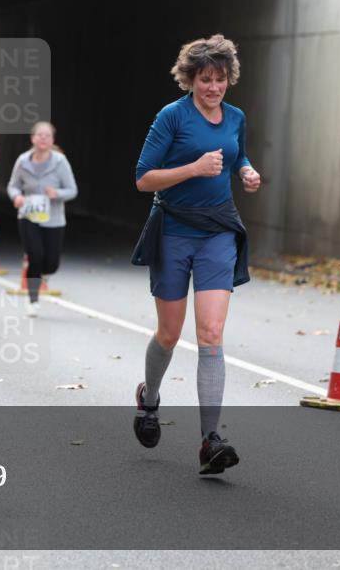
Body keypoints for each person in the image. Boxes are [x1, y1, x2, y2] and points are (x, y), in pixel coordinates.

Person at [130, 34, 261, 475]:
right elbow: (143, 179)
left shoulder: (236, 117)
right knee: (169, 333)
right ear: (191, 79)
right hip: (174, 229)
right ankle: (149, 400)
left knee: (210, 331)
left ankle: (210, 441)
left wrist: (245, 169)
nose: (213, 88)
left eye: (220, 79)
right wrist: (193, 168)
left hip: (218, 229)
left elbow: (236, 151)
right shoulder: (172, 117)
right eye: (205, 79)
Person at [6, 122, 77, 317]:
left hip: (53, 218)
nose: (43, 138)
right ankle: (33, 299)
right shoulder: (23, 161)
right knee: (35, 255)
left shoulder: (60, 162)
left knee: (51, 263)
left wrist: (57, 193)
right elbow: (13, 185)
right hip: (28, 216)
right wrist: (16, 197)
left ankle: (44, 274)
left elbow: (72, 190)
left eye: (47, 135)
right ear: (33, 138)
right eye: (39, 135)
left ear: (52, 140)